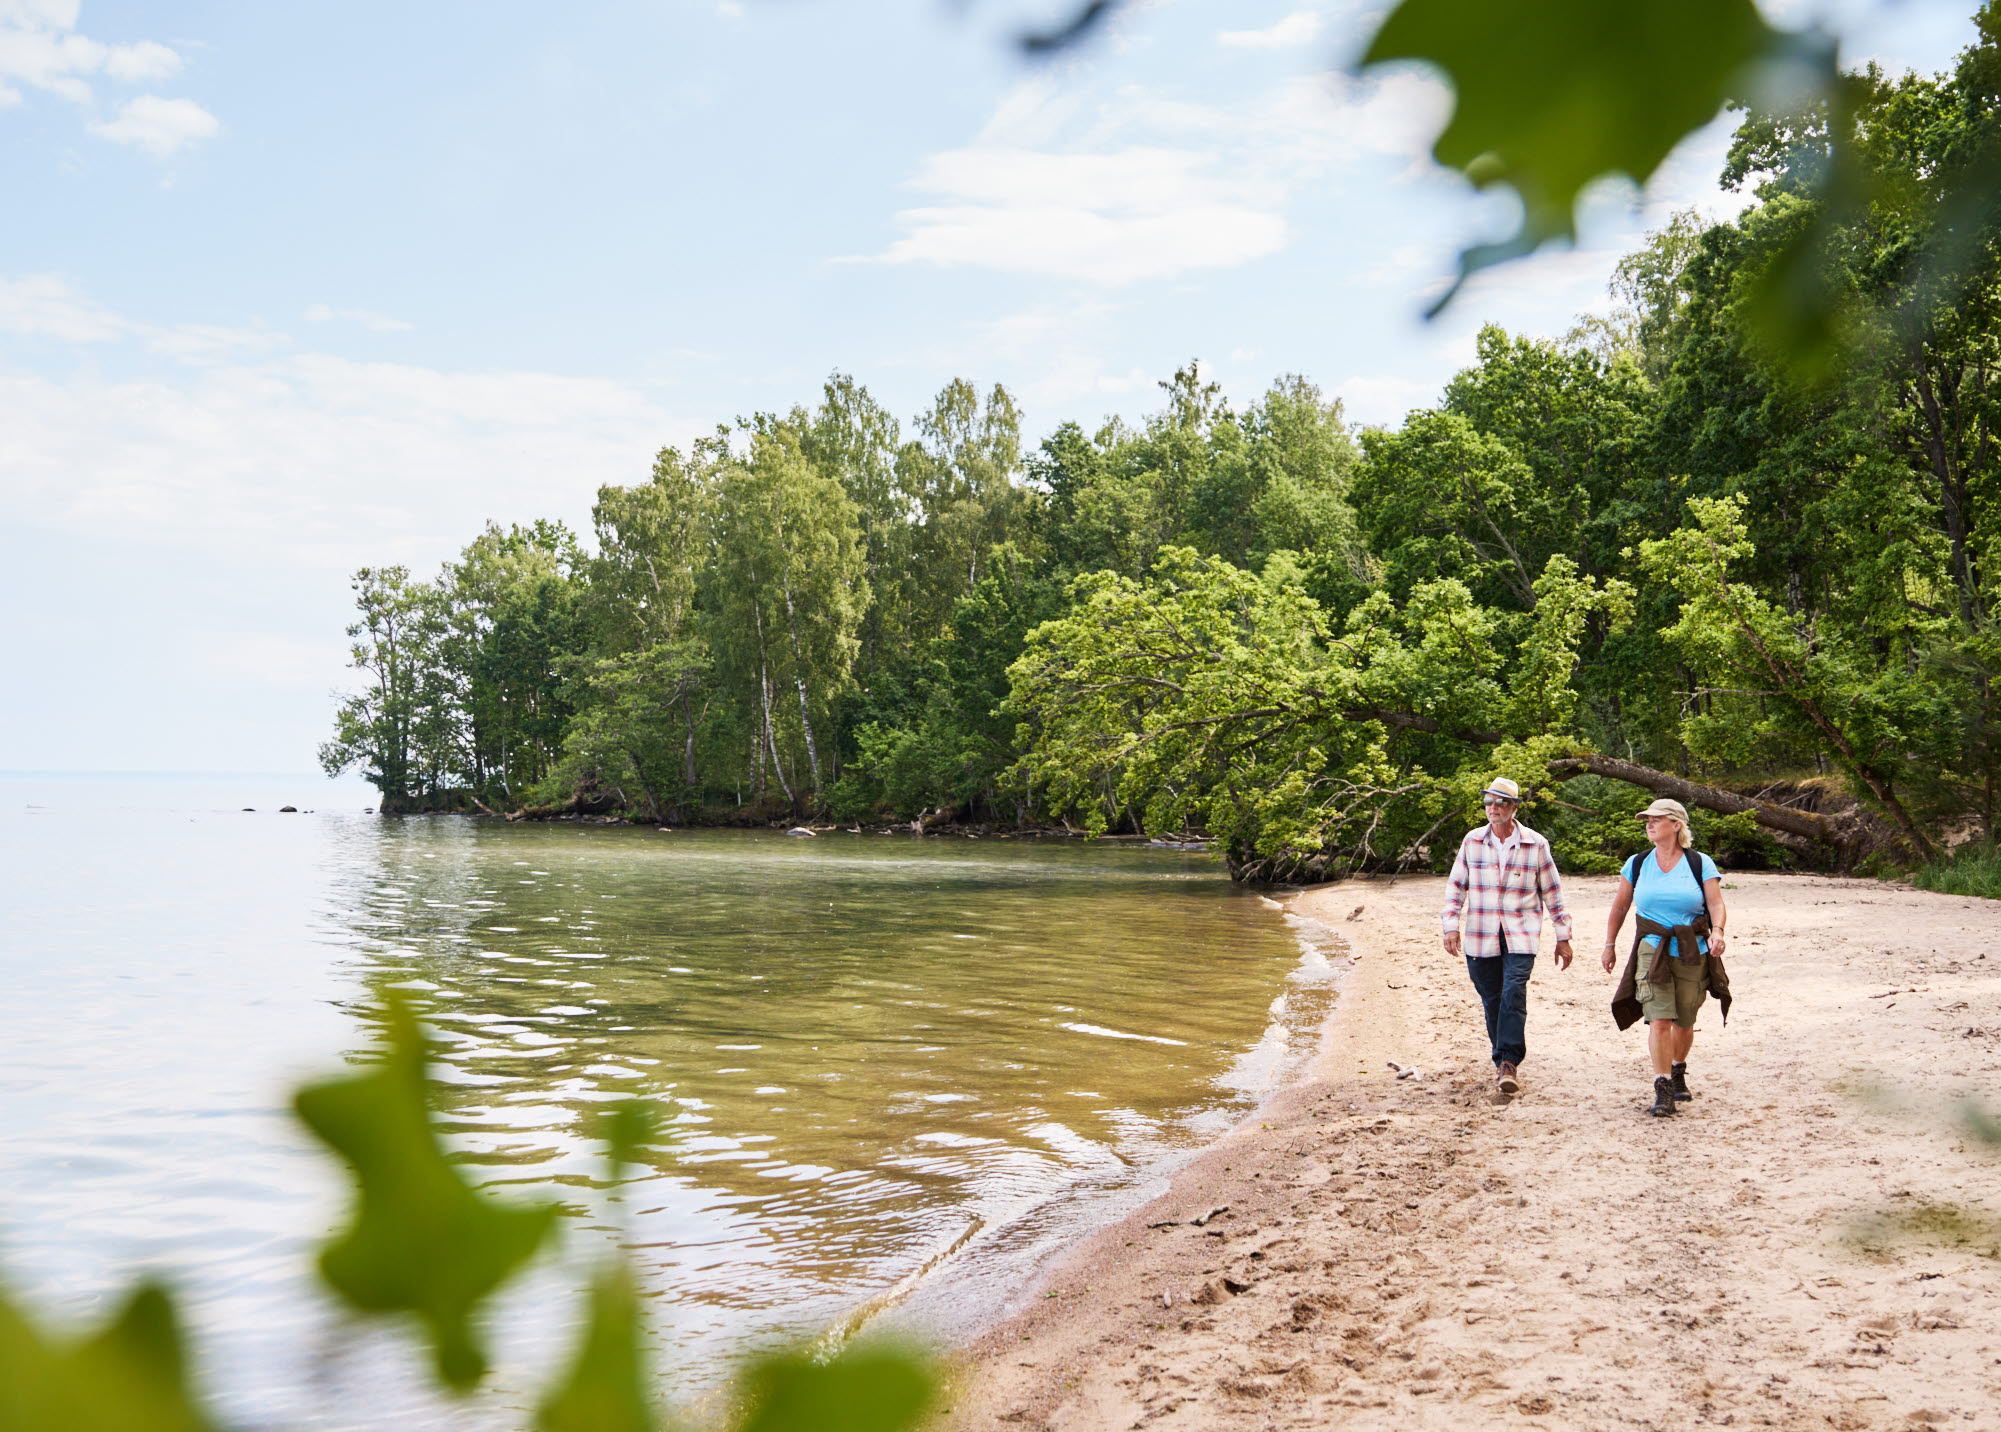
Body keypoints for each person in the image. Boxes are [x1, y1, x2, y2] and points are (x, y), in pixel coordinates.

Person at [1441, 776, 1574, 1096]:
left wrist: (1562, 935)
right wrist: (1450, 925)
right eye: (1489, 802)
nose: (1493, 808)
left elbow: (1552, 892)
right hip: (1480, 934)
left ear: (1514, 808)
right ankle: (1502, 1057)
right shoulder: (1472, 841)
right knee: (1492, 999)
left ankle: (1508, 1061)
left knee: (1513, 992)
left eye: (1501, 802)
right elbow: (1456, 886)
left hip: (1521, 934)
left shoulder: (1535, 844)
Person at [1602, 797, 1732, 1117]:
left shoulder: (1699, 863)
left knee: (1684, 1021)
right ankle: (1662, 1088)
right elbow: (1620, 906)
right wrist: (1609, 944)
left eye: (1656, 819)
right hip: (1651, 947)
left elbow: (1716, 903)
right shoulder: (1636, 863)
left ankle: (1677, 1069)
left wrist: (1718, 931)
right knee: (1659, 1019)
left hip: (1693, 948)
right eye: (1647, 819)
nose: (1649, 823)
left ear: (1676, 825)